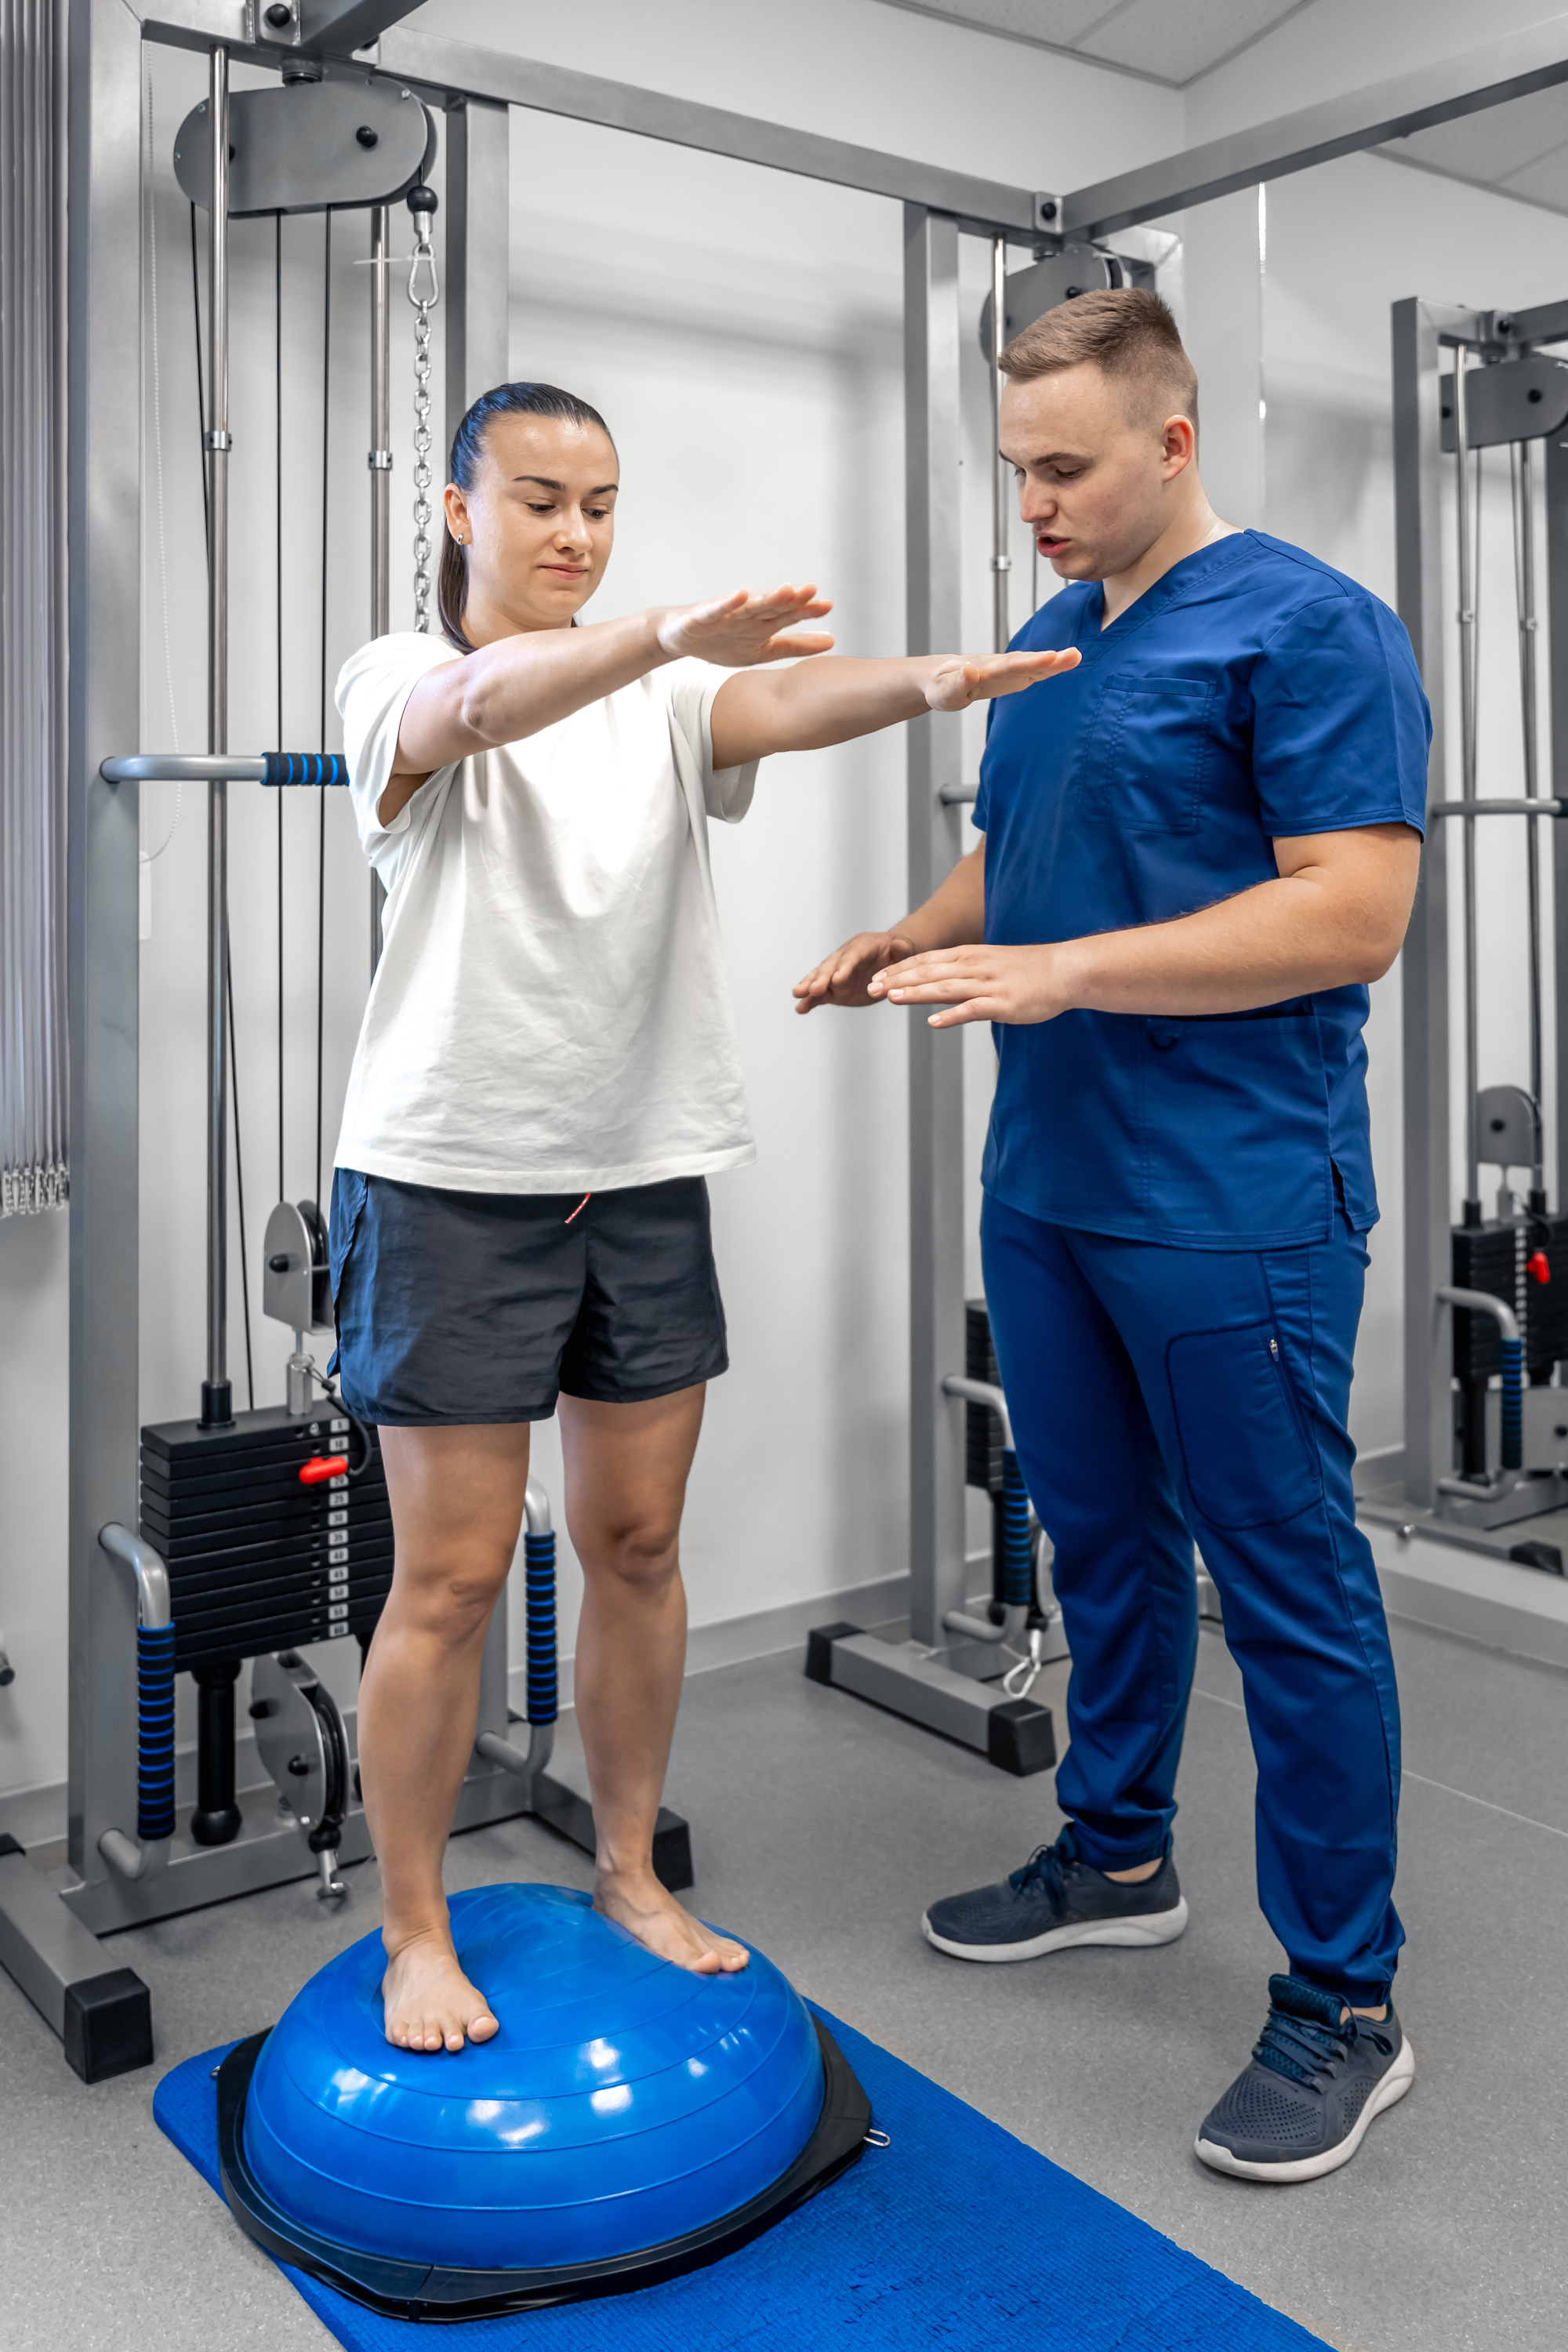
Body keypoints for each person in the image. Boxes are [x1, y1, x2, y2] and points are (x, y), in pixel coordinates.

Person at [330, 379, 1078, 2056]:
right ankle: (413, 1928)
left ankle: (624, 1865)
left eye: (598, 505)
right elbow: (480, 703)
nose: (574, 534)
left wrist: (941, 681)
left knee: (641, 1547)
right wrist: (665, 628)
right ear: (460, 510)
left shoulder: (664, 694)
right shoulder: (400, 677)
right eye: (536, 500)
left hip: (642, 1171)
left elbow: (783, 705)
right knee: (447, 1583)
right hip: (452, 1180)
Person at [795, 289, 1428, 2184]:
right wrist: (917, 928)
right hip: (1053, 1184)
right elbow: (1030, 834)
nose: (1037, 509)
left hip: (1231, 1197)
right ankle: (1119, 1847)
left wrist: (1067, 970)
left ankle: (1344, 2000)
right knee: (1095, 1543)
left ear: (1172, 439)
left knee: (1290, 1585)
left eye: (1065, 470)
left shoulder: (1315, 628)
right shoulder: (1055, 633)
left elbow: (1349, 913)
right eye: (1017, 473)